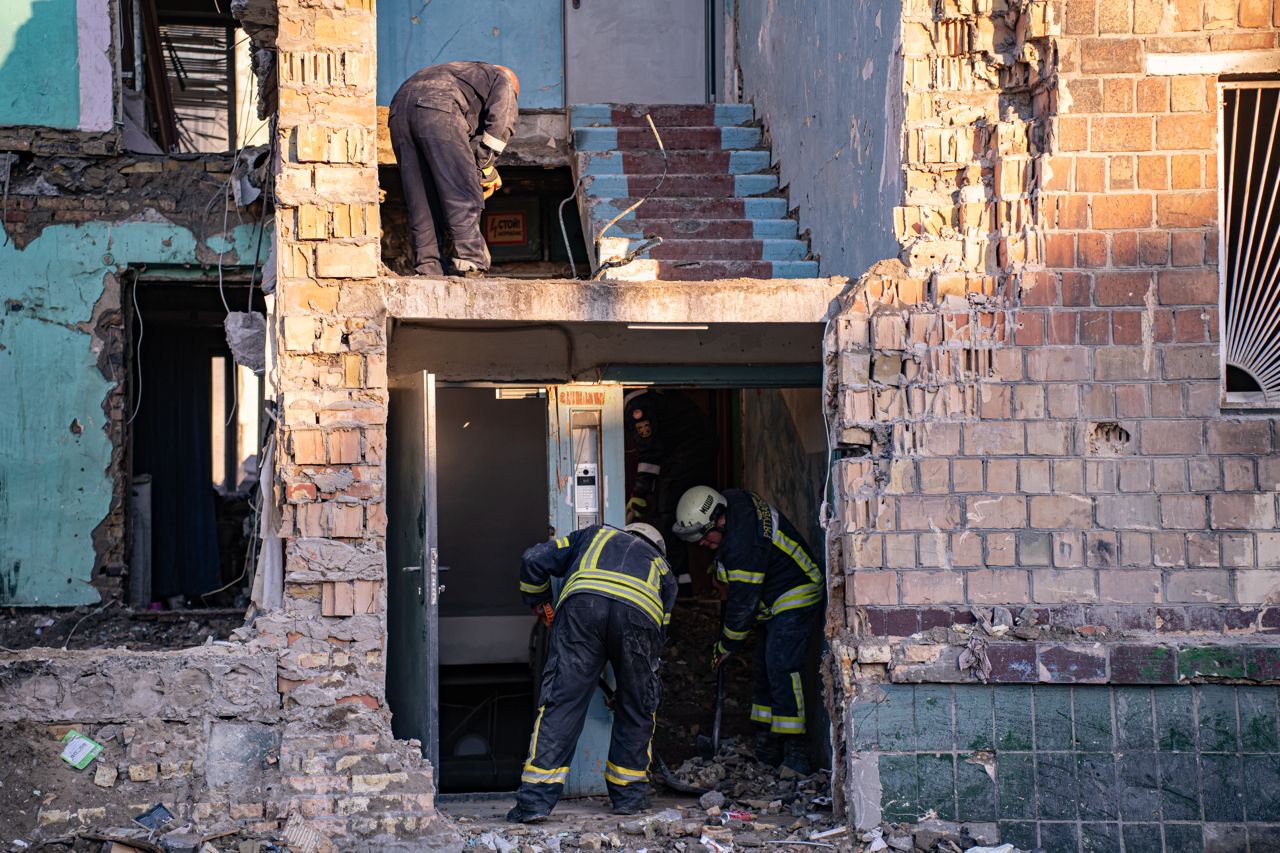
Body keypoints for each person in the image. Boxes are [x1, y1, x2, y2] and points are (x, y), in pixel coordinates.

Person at [508, 522, 676, 823]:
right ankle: (629, 798)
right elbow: (653, 650)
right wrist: (628, 693)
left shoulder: (594, 534)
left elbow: (532, 559)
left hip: (581, 611)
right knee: (638, 709)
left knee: (562, 703)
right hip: (639, 618)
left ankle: (534, 802)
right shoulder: (665, 572)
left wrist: (539, 601)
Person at [673, 486, 822, 775]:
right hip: (772, 597)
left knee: (781, 664)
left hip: (796, 590)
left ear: (719, 520)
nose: (701, 542)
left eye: (704, 535)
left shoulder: (744, 545)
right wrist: (721, 571)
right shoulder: (733, 502)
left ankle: (795, 751)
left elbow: (742, 606)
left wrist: (725, 646)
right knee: (763, 666)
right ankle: (767, 744)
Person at [388, 61, 519, 277]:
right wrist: (484, 166)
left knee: (421, 198)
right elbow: (502, 124)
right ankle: (471, 261)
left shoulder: (462, 75)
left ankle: (428, 267)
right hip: (439, 108)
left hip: (398, 111)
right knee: (462, 192)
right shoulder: (503, 78)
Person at [622, 389, 716, 592]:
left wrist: (639, 494)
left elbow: (650, 454)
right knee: (687, 515)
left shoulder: (637, 407)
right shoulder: (651, 398)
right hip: (698, 453)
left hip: (686, 457)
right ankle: (688, 582)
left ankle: (680, 586)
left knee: (668, 517)